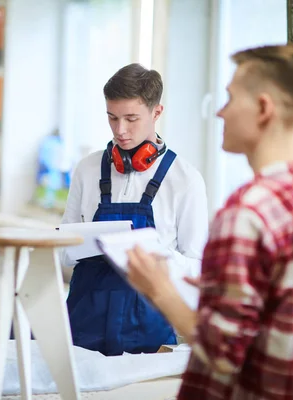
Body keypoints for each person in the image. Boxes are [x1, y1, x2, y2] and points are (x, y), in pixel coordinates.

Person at [127, 44, 293, 399]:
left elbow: (222, 354)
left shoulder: (246, 212)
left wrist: (159, 290)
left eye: (230, 98)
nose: (219, 112)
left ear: (263, 108)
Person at [62, 63, 209, 356]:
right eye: (112, 118)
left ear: (157, 113)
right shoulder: (88, 169)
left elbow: (197, 268)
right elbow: (64, 252)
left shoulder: (185, 180)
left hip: (149, 331)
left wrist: (154, 255)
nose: (120, 130)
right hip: (82, 325)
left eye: (131, 118)